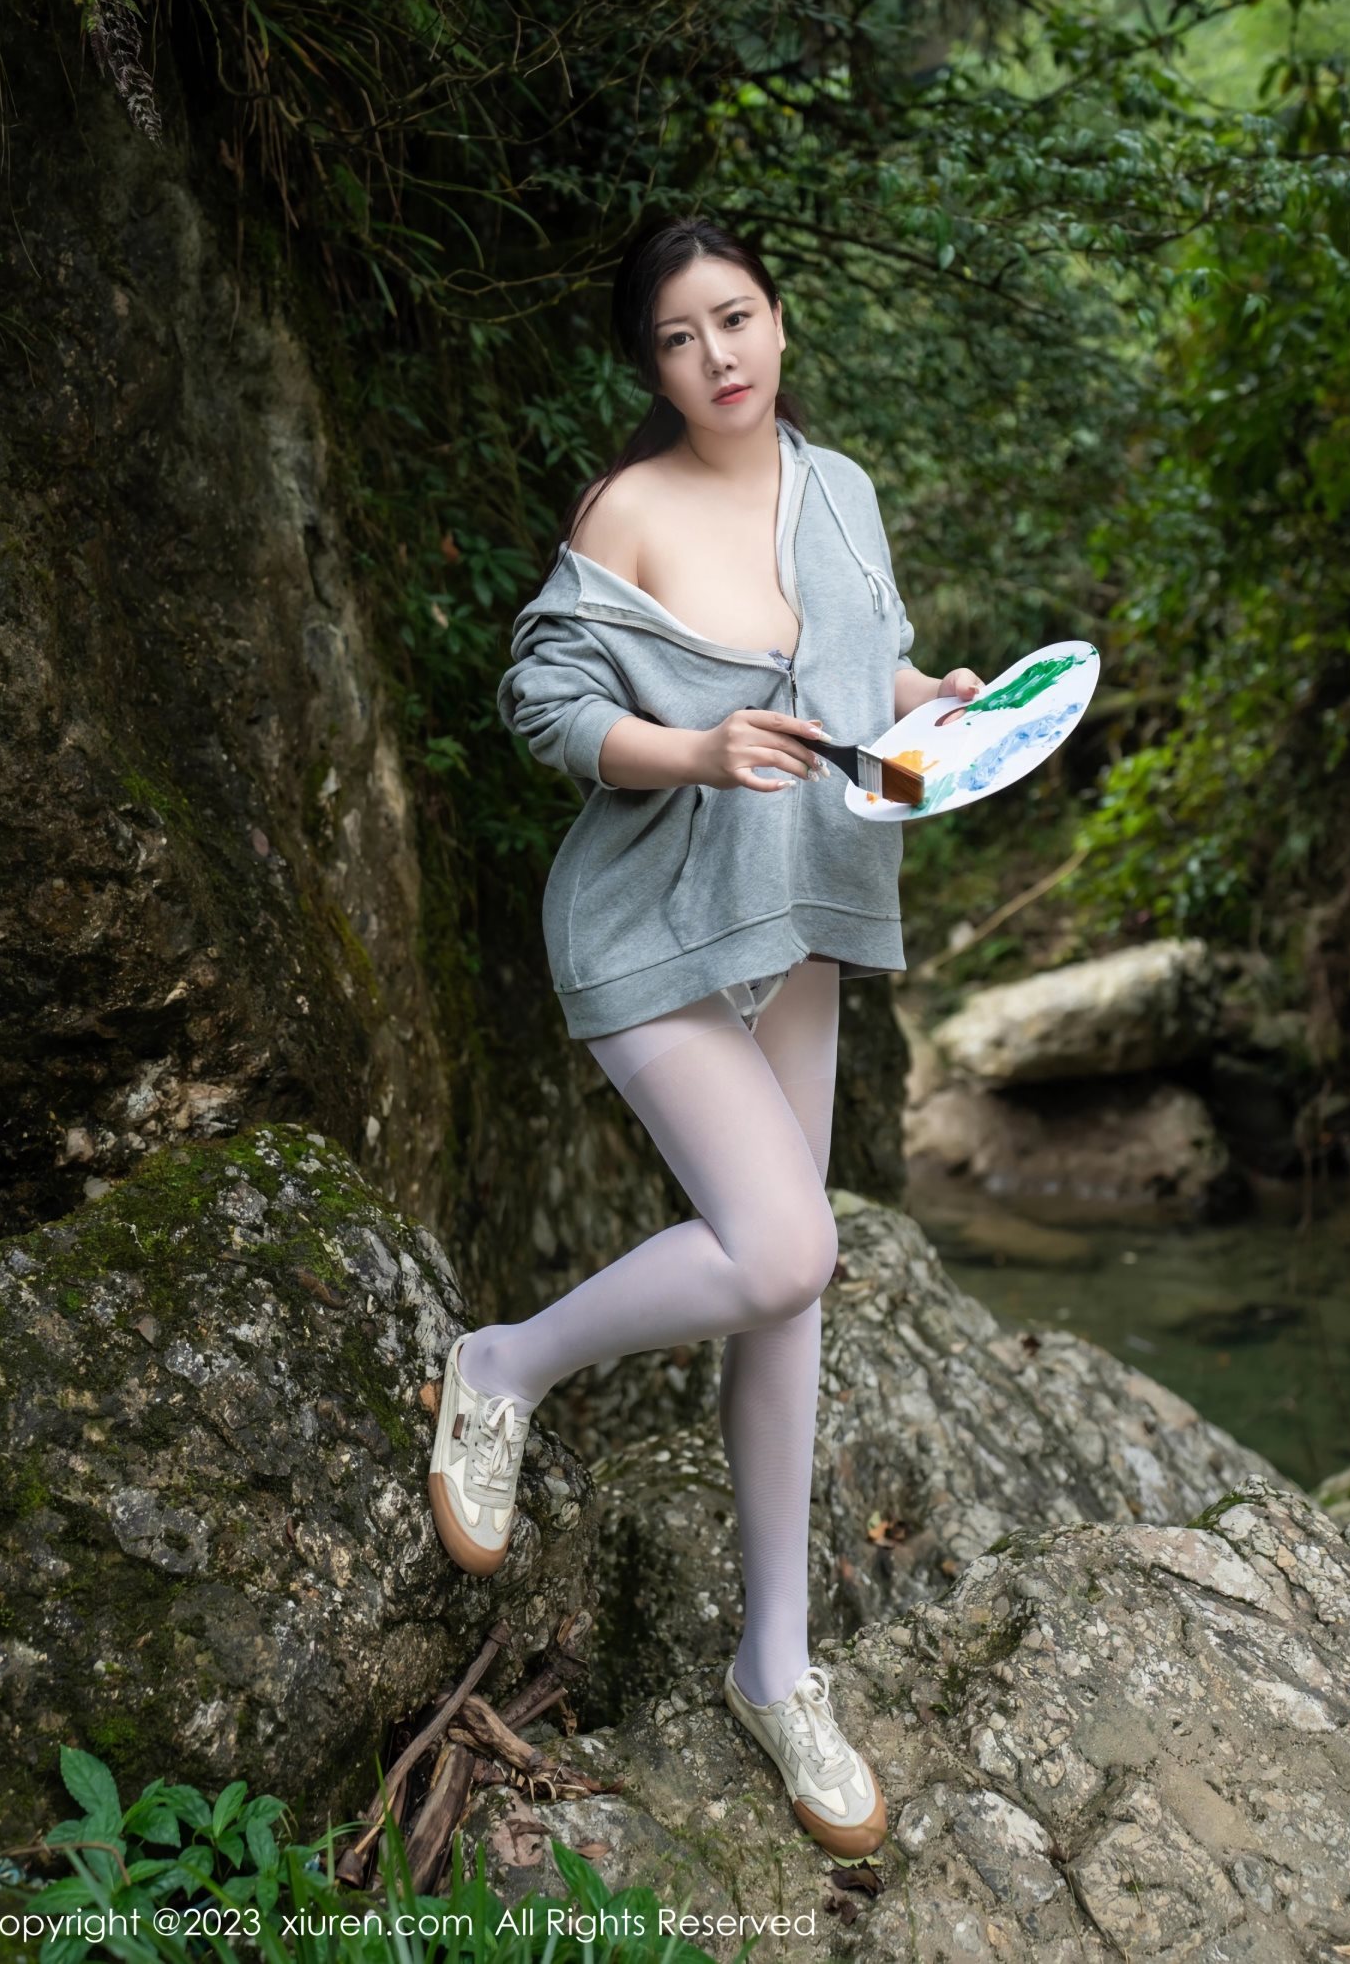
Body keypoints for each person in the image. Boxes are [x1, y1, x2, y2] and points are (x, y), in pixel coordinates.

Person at [428, 214, 985, 1862]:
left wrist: (932, 706)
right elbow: (540, 701)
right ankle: (502, 1366)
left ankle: (774, 1663)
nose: (716, 355)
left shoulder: (841, 487)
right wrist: (691, 747)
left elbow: (864, 684)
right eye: (678, 337)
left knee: (783, 1290)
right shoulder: (631, 509)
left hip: (799, 912)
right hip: (652, 923)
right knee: (787, 1244)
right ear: (652, 366)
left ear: (779, 319)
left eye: (734, 317)